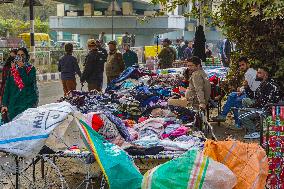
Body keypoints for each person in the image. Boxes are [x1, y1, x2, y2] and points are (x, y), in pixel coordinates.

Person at [212, 57, 261, 128]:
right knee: (232, 95)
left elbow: (250, 88)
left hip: (253, 96)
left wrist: (240, 90)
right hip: (249, 93)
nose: (241, 67)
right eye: (240, 65)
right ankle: (225, 117)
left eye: (243, 65)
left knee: (235, 101)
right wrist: (241, 90)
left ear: (248, 64)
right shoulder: (250, 72)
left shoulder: (249, 73)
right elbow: (247, 86)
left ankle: (235, 122)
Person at [239, 67, 281, 139]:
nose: (257, 74)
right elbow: (254, 96)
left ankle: (253, 132)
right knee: (245, 100)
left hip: (267, 110)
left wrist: (249, 107)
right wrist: (246, 87)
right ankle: (254, 124)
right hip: (262, 106)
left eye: (259, 73)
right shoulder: (263, 83)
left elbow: (263, 102)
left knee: (241, 114)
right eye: (257, 72)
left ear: (265, 75)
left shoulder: (269, 85)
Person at [1, 47, 38, 122]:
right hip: (13, 105)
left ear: (27, 56)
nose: (20, 57)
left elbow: (27, 82)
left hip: (27, 104)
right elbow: (7, 87)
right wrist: (4, 104)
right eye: (18, 55)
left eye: (22, 55)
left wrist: (22, 68)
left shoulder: (31, 69)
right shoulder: (12, 70)